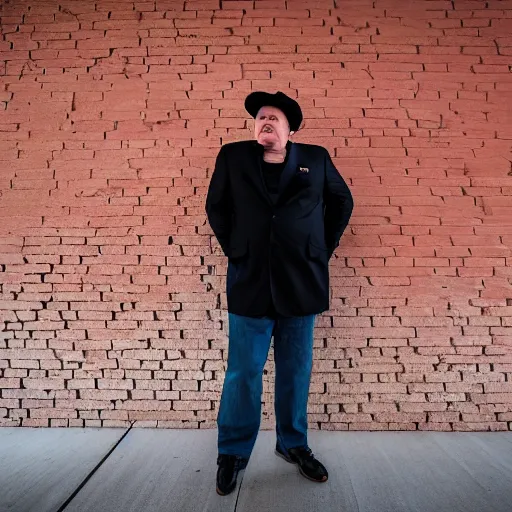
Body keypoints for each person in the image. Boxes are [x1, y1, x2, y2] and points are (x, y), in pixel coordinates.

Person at [205, 91, 354, 496]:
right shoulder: (233, 157)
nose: (265, 121)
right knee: (243, 374)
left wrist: (320, 248)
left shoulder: (316, 159)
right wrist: (237, 249)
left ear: (291, 129)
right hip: (250, 283)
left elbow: (342, 201)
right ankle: (232, 453)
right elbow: (216, 206)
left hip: (301, 284)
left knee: (295, 372)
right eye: (260, 117)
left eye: (274, 117)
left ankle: (293, 445)